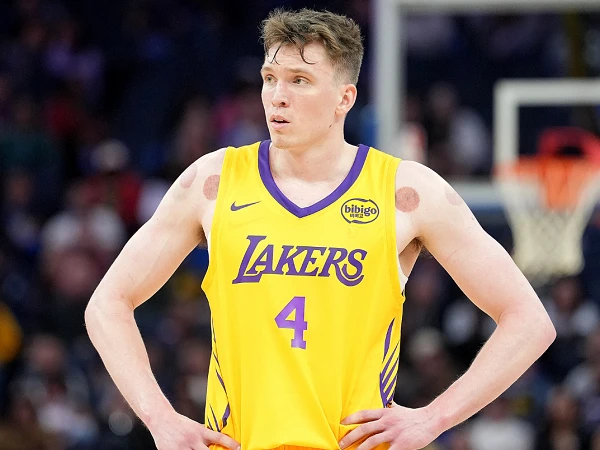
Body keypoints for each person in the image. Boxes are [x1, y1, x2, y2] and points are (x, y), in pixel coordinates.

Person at [85, 8, 556, 450]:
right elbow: (107, 304)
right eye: (270, 78)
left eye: (300, 80)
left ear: (344, 99)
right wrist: (159, 418)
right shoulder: (212, 181)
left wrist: (434, 418)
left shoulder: (405, 191)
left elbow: (529, 322)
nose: (277, 95)